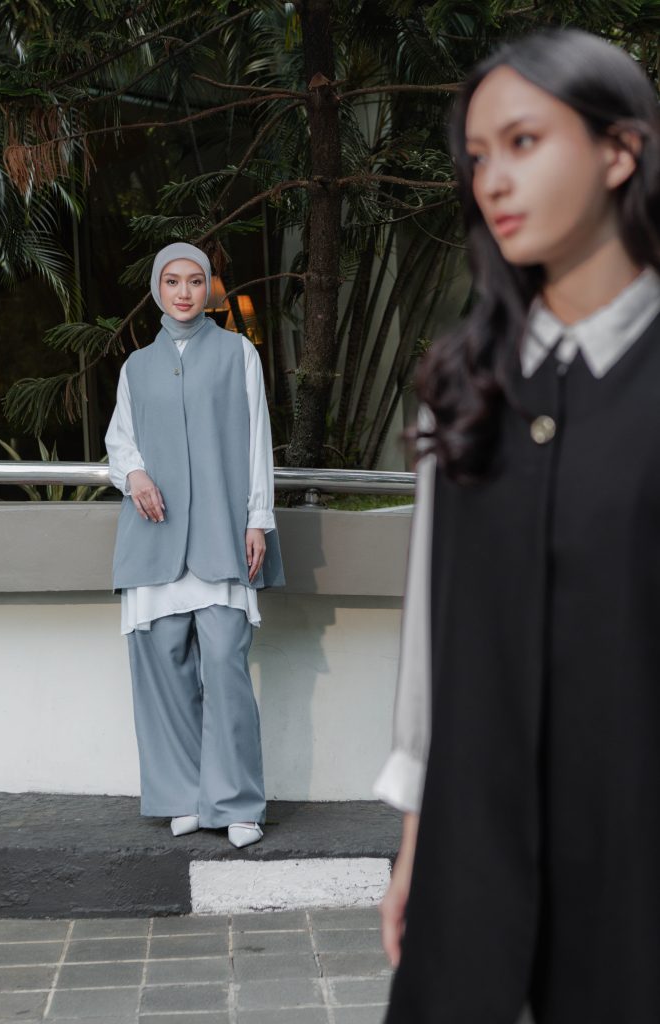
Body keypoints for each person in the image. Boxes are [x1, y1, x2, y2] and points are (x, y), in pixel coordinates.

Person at [374, 28, 660, 1024]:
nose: (490, 178)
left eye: (522, 142)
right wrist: (416, 845)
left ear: (619, 150)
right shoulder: (463, 384)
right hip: (473, 861)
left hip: (633, 869)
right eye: (476, 155)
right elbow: (431, 641)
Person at [106, 242, 284, 849]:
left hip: (220, 533)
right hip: (154, 537)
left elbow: (258, 439)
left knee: (225, 664)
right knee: (163, 668)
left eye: (195, 281)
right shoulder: (136, 367)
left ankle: (237, 803)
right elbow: (120, 439)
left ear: (209, 288)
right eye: (172, 281)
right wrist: (134, 473)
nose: (184, 292)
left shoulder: (238, 354)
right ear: (157, 289)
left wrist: (257, 519)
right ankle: (182, 795)